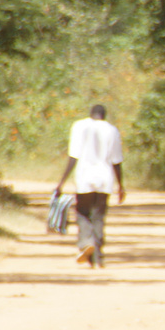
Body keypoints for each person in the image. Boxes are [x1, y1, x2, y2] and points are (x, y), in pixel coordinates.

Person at [54, 104, 125, 269]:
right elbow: (116, 161)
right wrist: (121, 185)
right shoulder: (112, 130)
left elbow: (73, 156)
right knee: (99, 217)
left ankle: (86, 243)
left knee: (82, 213)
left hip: (85, 176)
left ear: (91, 114)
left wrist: (61, 182)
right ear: (104, 116)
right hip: (105, 178)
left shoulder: (79, 126)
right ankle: (99, 257)